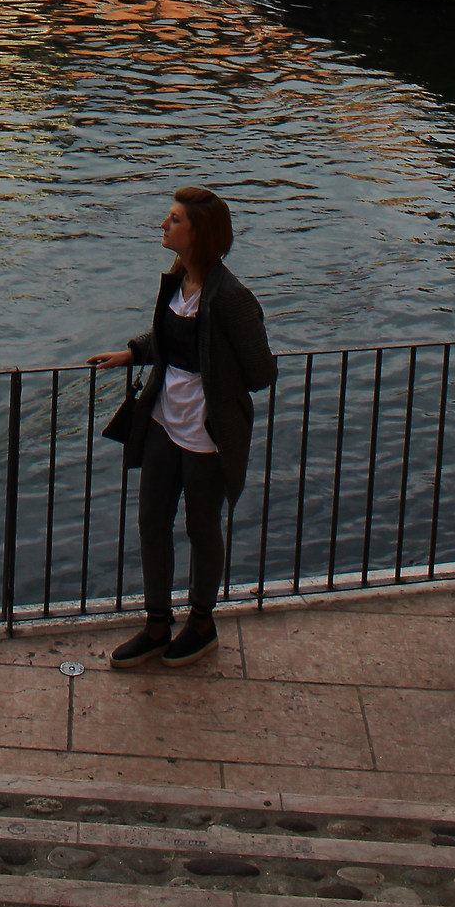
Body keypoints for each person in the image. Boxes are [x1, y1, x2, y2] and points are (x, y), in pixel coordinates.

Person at [91, 187, 276, 669]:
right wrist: (133, 352)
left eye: (174, 220)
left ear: (199, 233)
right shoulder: (178, 280)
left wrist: (214, 378)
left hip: (206, 434)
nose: (164, 225)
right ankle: (157, 625)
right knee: (152, 521)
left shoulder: (232, 298)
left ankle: (200, 624)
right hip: (162, 422)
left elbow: (261, 372)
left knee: (201, 527)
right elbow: (170, 337)